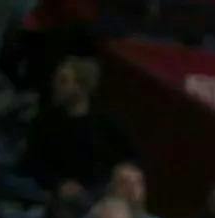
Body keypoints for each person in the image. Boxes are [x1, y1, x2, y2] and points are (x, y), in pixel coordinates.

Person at [18, 57, 131, 194]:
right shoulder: (45, 120)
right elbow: (31, 161)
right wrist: (58, 184)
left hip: (96, 195)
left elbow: (127, 158)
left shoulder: (105, 122)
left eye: (64, 81)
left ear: (81, 87)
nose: (56, 85)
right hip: (51, 194)